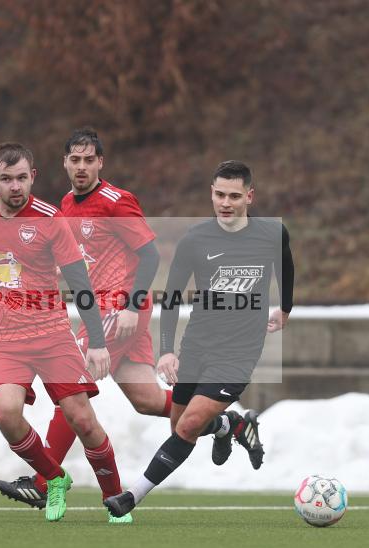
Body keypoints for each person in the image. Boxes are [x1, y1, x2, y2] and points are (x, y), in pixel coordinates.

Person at [0, 142, 130, 523]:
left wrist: (96, 342)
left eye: (21, 178)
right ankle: (54, 477)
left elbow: (80, 282)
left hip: (52, 335)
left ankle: (115, 498)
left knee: (82, 420)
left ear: (34, 176)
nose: (15, 186)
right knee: (4, 411)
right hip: (3, 340)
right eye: (6, 179)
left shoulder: (49, 219)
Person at [0, 127, 173, 510]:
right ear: (64, 162)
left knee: (69, 387)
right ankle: (225, 422)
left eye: (89, 159)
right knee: (148, 400)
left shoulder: (116, 201)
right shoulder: (65, 206)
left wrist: (130, 305)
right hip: (99, 308)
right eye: (75, 159)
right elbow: (80, 258)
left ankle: (44, 482)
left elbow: (151, 255)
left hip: (119, 307)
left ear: (100, 163)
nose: (81, 166)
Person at [104, 160, 295, 518]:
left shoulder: (271, 234)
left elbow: (286, 264)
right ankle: (231, 425)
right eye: (220, 194)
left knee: (189, 426)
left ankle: (131, 496)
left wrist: (285, 308)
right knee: (180, 426)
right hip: (197, 345)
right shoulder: (195, 240)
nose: (226, 202)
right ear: (211, 193)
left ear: (249, 197)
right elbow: (172, 297)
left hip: (238, 352)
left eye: (234, 196)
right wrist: (165, 352)